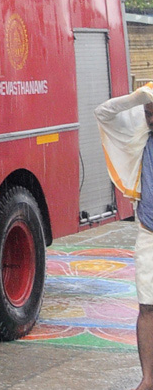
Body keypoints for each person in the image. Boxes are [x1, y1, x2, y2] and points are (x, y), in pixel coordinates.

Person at [96, 83, 153, 390]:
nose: (150, 116)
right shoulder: (139, 140)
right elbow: (103, 113)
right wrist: (139, 97)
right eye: (147, 112)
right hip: (150, 233)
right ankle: (148, 379)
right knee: (147, 307)